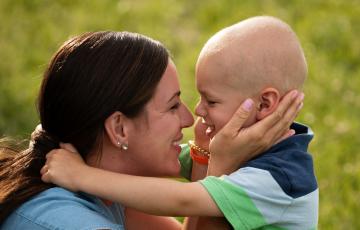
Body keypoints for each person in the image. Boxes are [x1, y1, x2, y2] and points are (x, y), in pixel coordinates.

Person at [0, 30, 301, 230]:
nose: (188, 118)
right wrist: (221, 167)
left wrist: (205, 155)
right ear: (119, 128)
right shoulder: (70, 223)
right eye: (172, 106)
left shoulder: (104, 190)